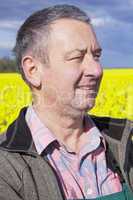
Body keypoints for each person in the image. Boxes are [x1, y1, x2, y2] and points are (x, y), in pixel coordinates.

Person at [0, 4, 133, 200]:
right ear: (33, 71)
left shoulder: (123, 143)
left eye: (96, 56)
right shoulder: (6, 168)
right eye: (76, 57)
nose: (96, 70)